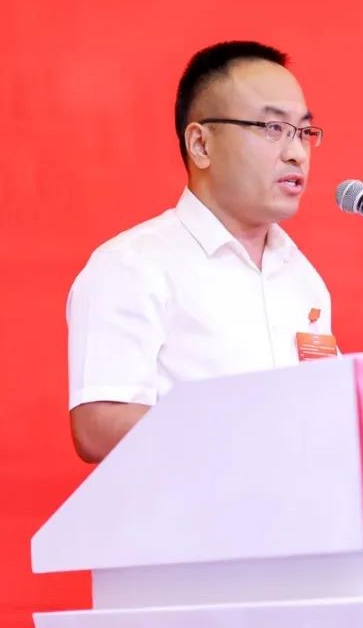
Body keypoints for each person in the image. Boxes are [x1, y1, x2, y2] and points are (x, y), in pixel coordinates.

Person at [66, 40, 334, 463]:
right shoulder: (132, 266)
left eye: (303, 132)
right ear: (201, 145)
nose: (296, 153)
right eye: (272, 128)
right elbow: (97, 426)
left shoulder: (304, 281)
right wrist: (252, 431)